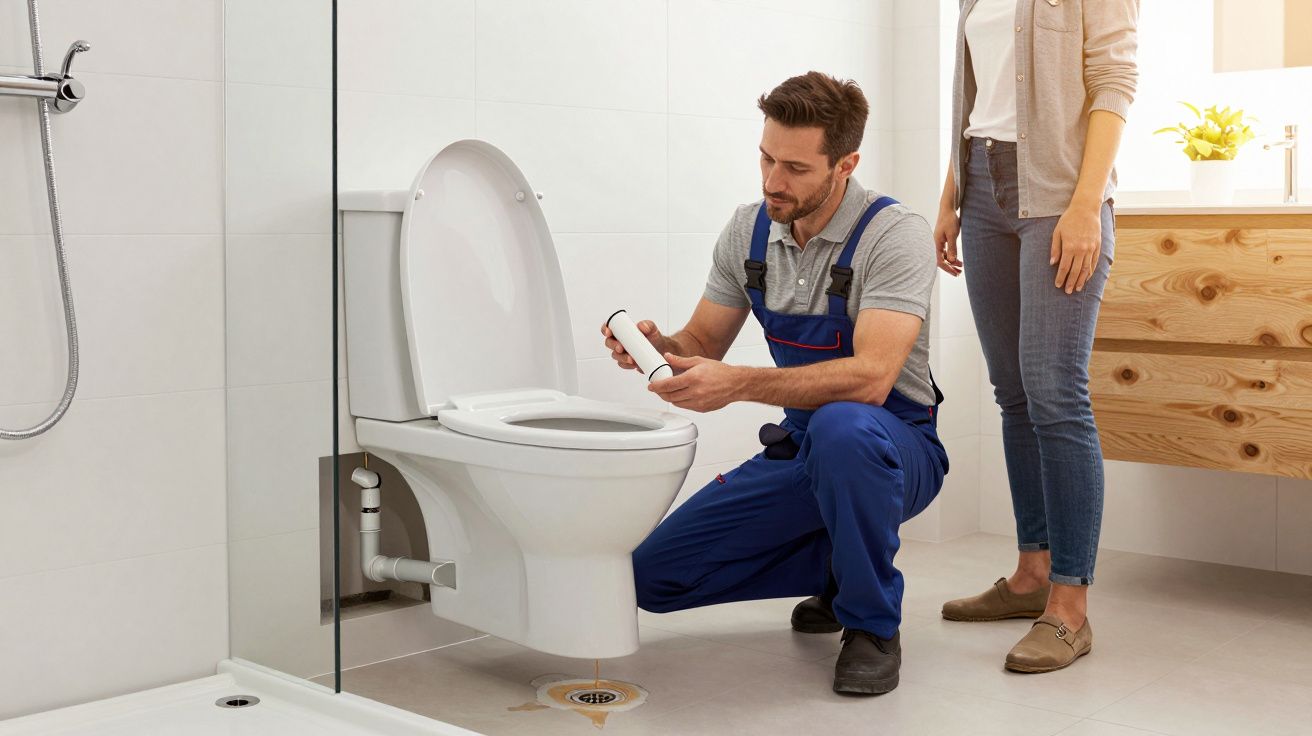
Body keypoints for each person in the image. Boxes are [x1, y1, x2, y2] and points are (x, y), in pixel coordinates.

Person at [603, 71, 948, 695]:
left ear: (845, 164)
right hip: (806, 448)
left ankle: (871, 624)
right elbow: (703, 343)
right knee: (653, 577)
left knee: (846, 428)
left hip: (897, 447)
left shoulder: (895, 236)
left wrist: (735, 385)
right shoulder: (749, 231)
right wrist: (660, 349)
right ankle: (847, 564)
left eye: (794, 167)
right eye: (765, 157)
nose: (772, 181)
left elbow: (872, 381)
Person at [935, 0, 1138, 673]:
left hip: (1059, 192)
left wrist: (1086, 205)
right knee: (1014, 392)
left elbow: (1114, 81)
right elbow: (978, 92)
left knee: (1056, 392)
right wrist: (952, 192)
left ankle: (1070, 607)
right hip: (982, 187)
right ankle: (1030, 575)